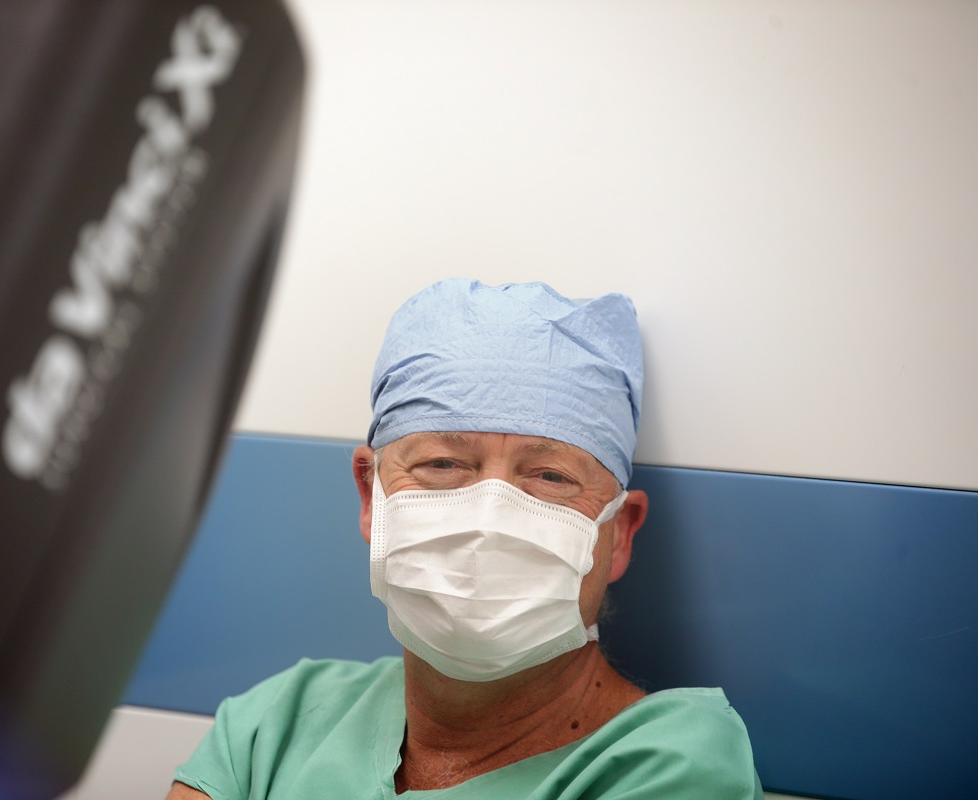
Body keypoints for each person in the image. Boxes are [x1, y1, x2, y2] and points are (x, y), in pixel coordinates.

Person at [167, 279, 763, 799]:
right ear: (372, 496)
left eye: (550, 477)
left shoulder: (672, 766)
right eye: (443, 464)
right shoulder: (274, 726)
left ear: (620, 533)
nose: (489, 517)